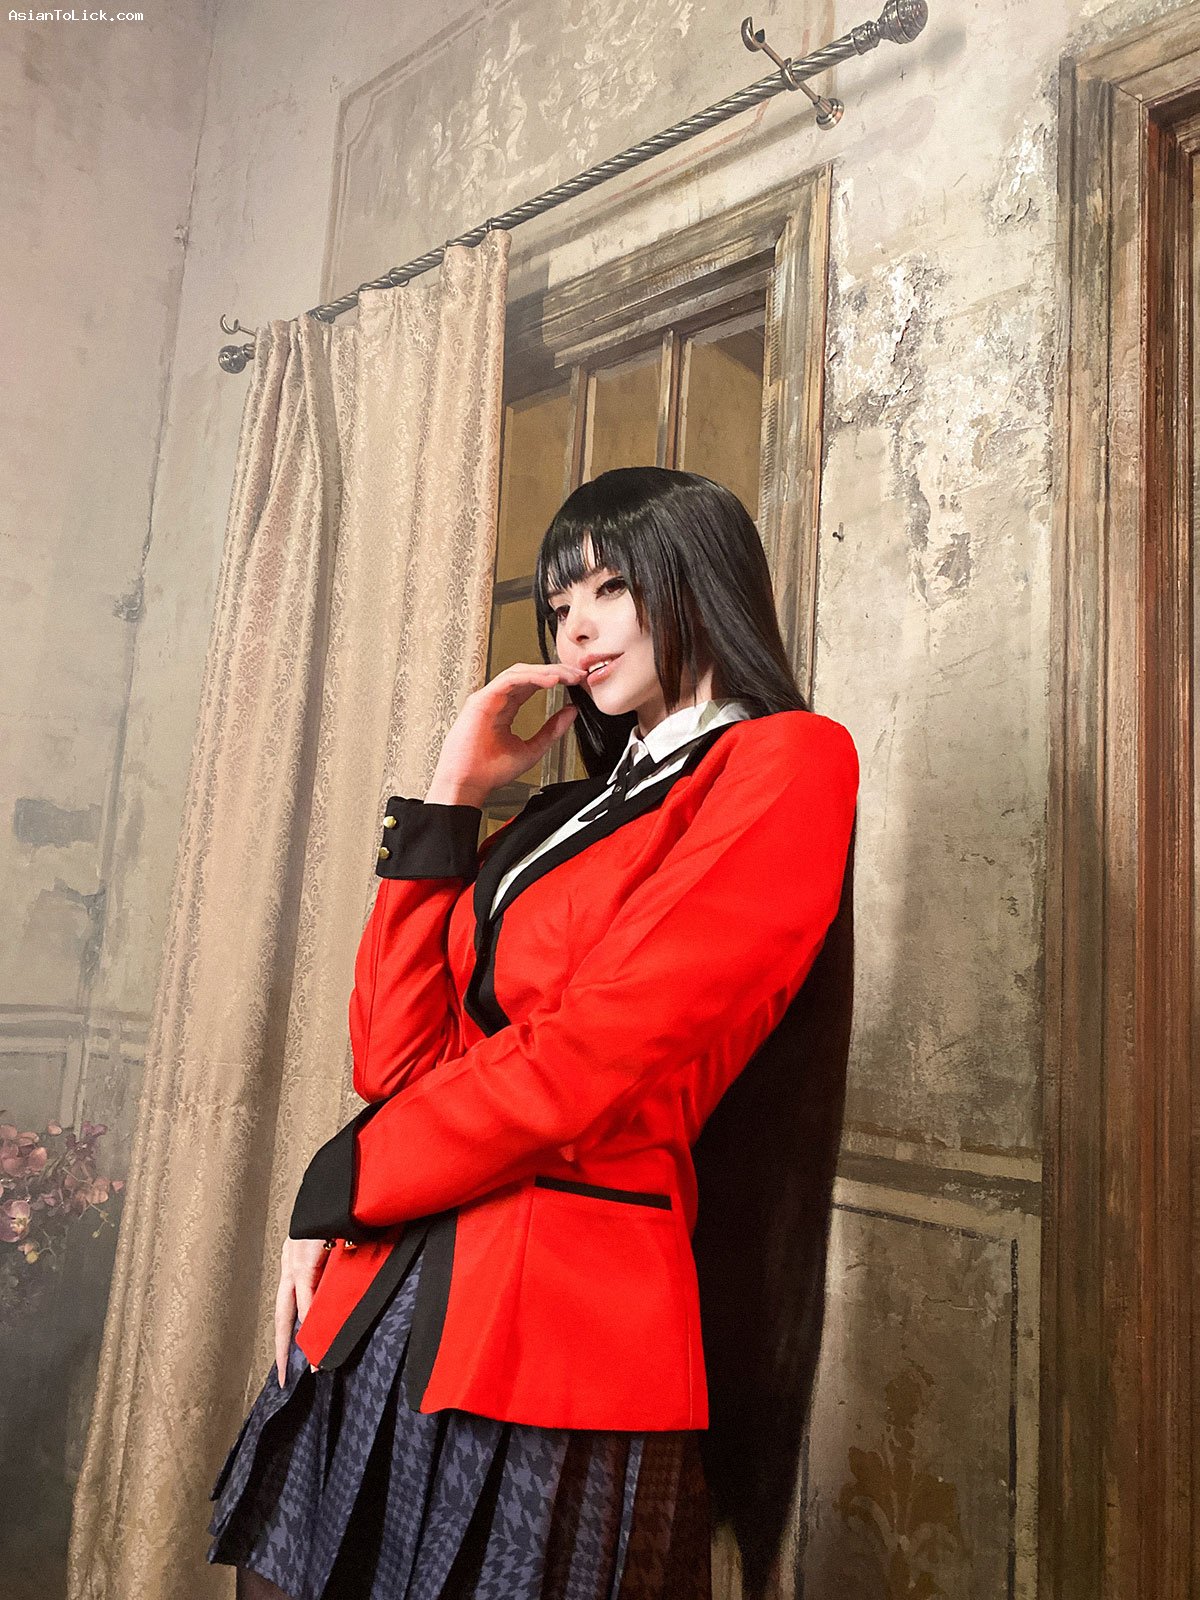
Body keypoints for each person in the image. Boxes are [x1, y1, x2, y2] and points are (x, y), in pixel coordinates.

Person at [206, 465, 859, 1600]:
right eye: (560, 606)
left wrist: (348, 1177)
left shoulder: (786, 760)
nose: (578, 629)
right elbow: (396, 1057)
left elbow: (594, 1057)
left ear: (699, 578)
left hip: (557, 1326)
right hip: (389, 1289)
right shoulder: (564, 813)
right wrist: (453, 796)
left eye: (611, 588)